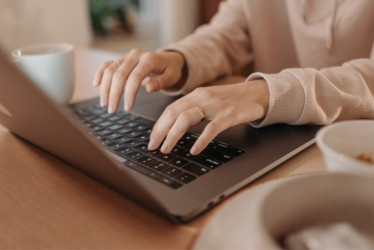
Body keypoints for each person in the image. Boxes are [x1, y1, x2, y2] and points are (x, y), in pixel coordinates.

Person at [93, 0, 374, 156]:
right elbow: (226, 34)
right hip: (274, 139)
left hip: (356, 149)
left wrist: (264, 93)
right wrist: (178, 59)